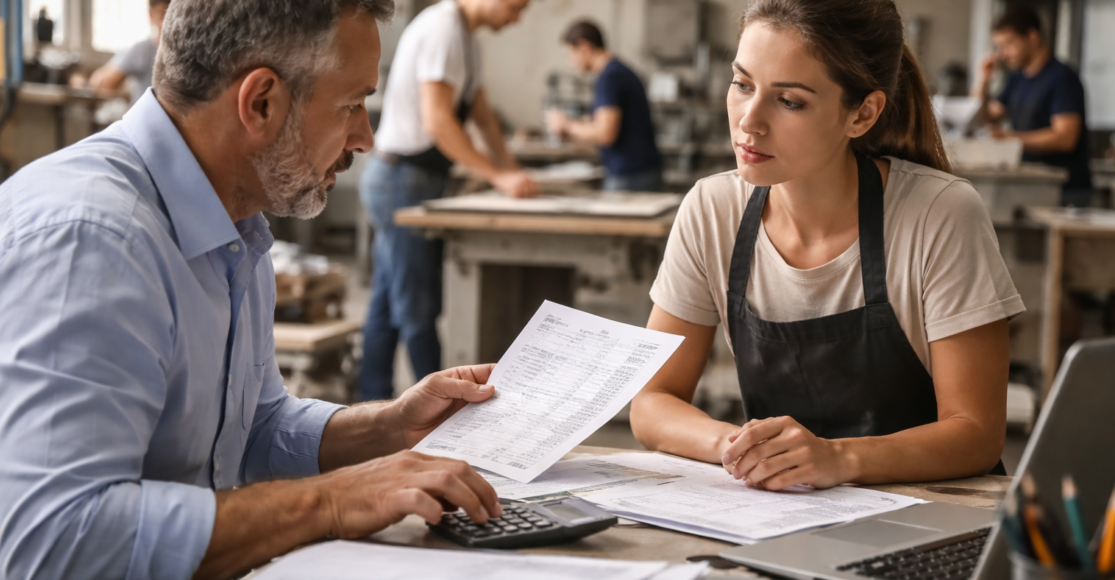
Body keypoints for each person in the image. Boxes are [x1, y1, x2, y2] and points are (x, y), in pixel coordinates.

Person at [0, 1, 505, 579]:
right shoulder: (91, 242)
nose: (365, 138)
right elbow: (55, 548)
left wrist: (388, 429)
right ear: (261, 102)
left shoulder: (232, 226)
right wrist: (329, 501)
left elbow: (248, 430)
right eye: (351, 105)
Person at [631, 0, 1024, 491]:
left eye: (789, 101)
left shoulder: (940, 213)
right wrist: (744, 449)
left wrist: (837, 458)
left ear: (862, 114)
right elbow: (651, 402)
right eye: (742, 84)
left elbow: (976, 433)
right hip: (781, 511)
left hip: (934, 512)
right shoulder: (712, 209)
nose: (749, 121)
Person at [358, 0, 538, 402]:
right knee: (417, 307)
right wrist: (497, 176)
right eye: (515, 8)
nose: (516, 19)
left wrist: (513, 172)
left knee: (389, 301)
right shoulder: (443, 29)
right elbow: (439, 121)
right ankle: (444, 407)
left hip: (415, 178)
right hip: (402, 180)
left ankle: (371, 400)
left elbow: (482, 117)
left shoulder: (467, 39)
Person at [973, 5, 1092, 207]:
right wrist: (983, 80)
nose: (1002, 54)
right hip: (1034, 186)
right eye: (999, 46)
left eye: (1009, 44)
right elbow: (985, 117)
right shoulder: (1016, 80)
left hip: (1066, 190)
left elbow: (1066, 138)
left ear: (1033, 37)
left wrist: (1010, 138)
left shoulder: (1062, 77)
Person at [546, 21, 664, 192]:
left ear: (584, 47)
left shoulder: (611, 77)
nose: (570, 62)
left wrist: (566, 125)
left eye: (570, 54)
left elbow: (605, 133)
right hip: (639, 170)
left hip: (631, 174)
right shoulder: (618, 71)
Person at [85, 0, 170, 104]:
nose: (165, 21)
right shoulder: (143, 50)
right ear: (151, 14)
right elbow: (104, 83)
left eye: (168, 14)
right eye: (162, 14)